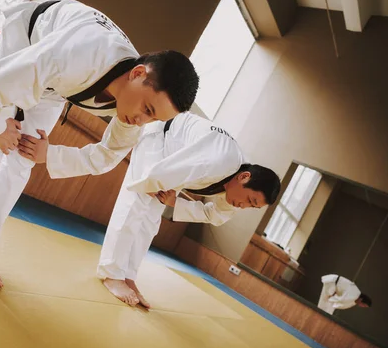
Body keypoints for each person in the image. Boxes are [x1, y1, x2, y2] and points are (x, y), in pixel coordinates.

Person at [0, 0, 199, 287]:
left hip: (58, 86)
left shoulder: (132, 111)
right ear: (138, 74)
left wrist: (49, 154)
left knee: (24, 156)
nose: (141, 121)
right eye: (147, 109)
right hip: (29, 42)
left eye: (153, 119)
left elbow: (105, 157)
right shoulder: (82, 53)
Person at [96, 112, 281, 307]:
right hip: (161, 137)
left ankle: (128, 276)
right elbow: (166, 173)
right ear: (244, 177)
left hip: (180, 158)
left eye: (252, 206)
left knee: (150, 221)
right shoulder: (218, 161)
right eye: (250, 200)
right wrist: (151, 181)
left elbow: (214, 215)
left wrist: (176, 202)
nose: (243, 206)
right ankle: (112, 275)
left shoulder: (238, 188)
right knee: (135, 204)